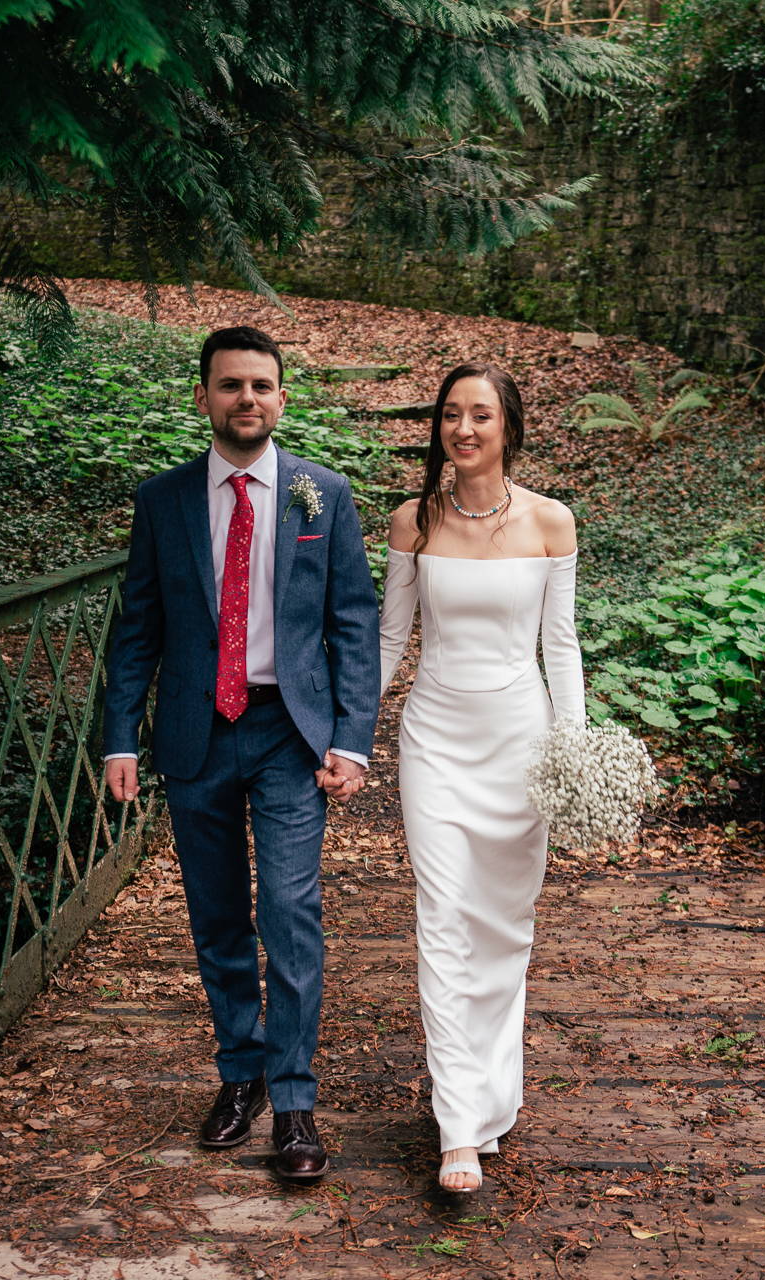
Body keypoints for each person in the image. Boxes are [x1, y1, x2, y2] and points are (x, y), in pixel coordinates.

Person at [102, 326, 381, 1181]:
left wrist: (352, 738)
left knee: (290, 917)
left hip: (287, 733)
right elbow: (137, 627)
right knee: (217, 915)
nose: (247, 398)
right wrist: (119, 736)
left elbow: (353, 625)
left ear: (282, 398)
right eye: (230, 385)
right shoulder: (164, 501)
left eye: (262, 385)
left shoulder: (322, 496)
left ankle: (295, 1103)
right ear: (204, 398)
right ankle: (241, 1073)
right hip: (194, 730)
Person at [376, 362, 583, 1193]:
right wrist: (348, 738)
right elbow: (390, 640)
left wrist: (573, 748)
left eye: (481, 415)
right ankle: (457, 1123)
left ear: (509, 426)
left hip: (520, 745)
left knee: (504, 929)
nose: (463, 429)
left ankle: (493, 1100)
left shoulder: (551, 522)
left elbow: (560, 646)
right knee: (443, 918)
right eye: (451, 415)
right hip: (434, 738)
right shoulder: (410, 522)